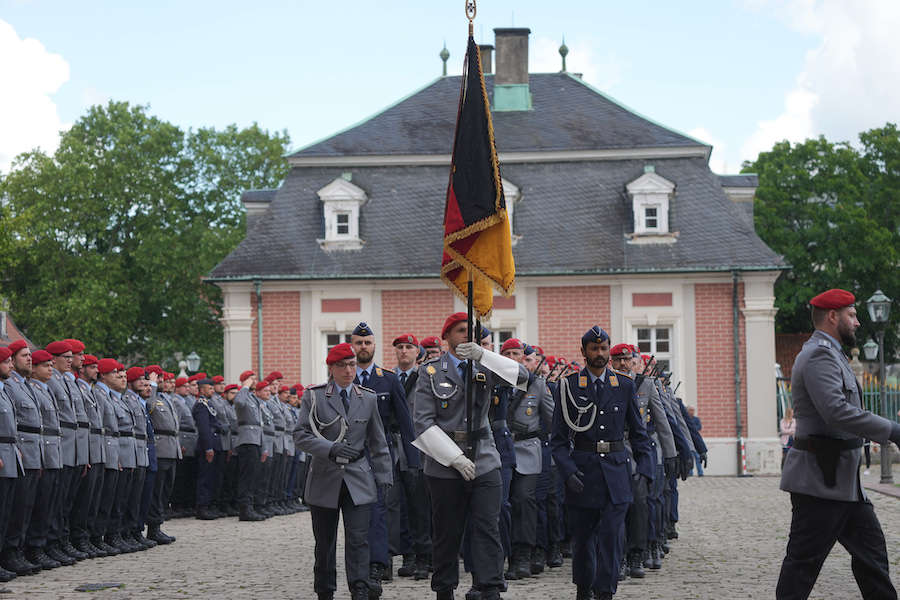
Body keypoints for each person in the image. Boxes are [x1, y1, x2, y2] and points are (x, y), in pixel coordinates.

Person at [777, 288, 900, 599]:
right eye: (852, 315)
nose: (857, 322)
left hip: (843, 483)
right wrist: (892, 430)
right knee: (802, 566)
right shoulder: (819, 354)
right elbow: (837, 412)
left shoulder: (832, 353)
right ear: (833, 316)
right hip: (820, 481)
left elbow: (849, 411)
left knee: (872, 558)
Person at [412, 312, 529, 600]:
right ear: (447, 336)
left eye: (471, 331)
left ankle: (489, 586)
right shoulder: (429, 372)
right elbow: (423, 422)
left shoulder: (483, 365)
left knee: (488, 526)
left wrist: (485, 355)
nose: (467, 335)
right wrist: (454, 458)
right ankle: (444, 588)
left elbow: (523, 377)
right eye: (461, 330)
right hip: (444, 463)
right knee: (447, 532)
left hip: (485, 457)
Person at [550, 326, 653, 600]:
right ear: (583, 352)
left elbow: (640, 434)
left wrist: (645, 470)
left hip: (617, 474)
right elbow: (558, 440)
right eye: (594, 349)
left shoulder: (625, 385)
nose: (600, 353)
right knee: (583, 540)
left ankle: (605, 591)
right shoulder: (569, 386)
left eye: (604, 348)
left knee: (611, 536)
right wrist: (568, 471)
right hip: (583, 473)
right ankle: (584, 589)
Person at [295, 342, 393, 600]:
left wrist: (384, 477)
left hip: (358, 477)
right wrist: (330, 448)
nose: (349, 370)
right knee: (325, 542)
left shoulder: (367, 397)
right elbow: (300, 436)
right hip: (325, 476)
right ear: (331, 368)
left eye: (351, 364)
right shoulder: (314, 396)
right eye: (342, 366)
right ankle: (325, 590)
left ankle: (359, 588)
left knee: (359, 539)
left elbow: (378, 441)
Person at [350, 322, 419, 585]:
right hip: (354, 452)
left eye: (367, 343)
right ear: (352, 345)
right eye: (359, 342)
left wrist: (413, 458)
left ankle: (381, 562)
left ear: (374, 346)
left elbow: (405, 421)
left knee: (384, 507)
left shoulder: (388, 379)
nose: (363, 347)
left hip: (382, 451)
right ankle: (362, 561)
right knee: (359, 508)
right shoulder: (344, 377)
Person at [233, 371, 266, 522]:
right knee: (246, 477)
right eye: (252, 378)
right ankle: (245, 510)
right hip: (247, 440)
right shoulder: (243, 394)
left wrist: (263, 445)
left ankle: (250, 507)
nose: (255, 381)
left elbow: (260, 423)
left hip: (255, 440)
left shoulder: (253, 397)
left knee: (253, 476)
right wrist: (244, 386)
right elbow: (238, 402)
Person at [0, 347, 20, 581]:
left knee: (6, 511)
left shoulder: (4, 390)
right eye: (6, 362)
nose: (11, 366)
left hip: (10, 452)